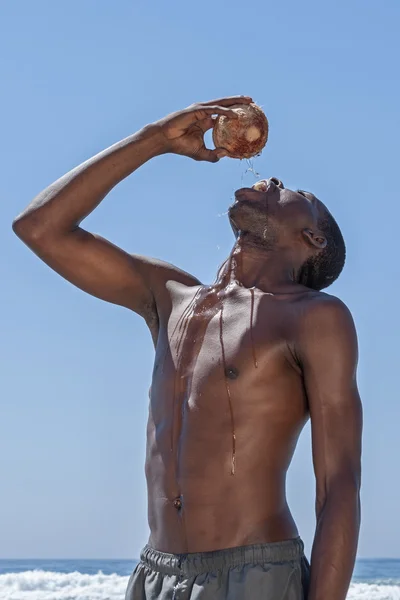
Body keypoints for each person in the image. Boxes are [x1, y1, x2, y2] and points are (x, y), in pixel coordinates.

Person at [12, 95, 362, 600]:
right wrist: (153, 140)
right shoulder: (172, 297)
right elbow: (40, 228)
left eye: (296, 191)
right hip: (155, 575)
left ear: (312, 238)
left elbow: (339, 484)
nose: (275, 180)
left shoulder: (314, 317)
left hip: (254, 574)